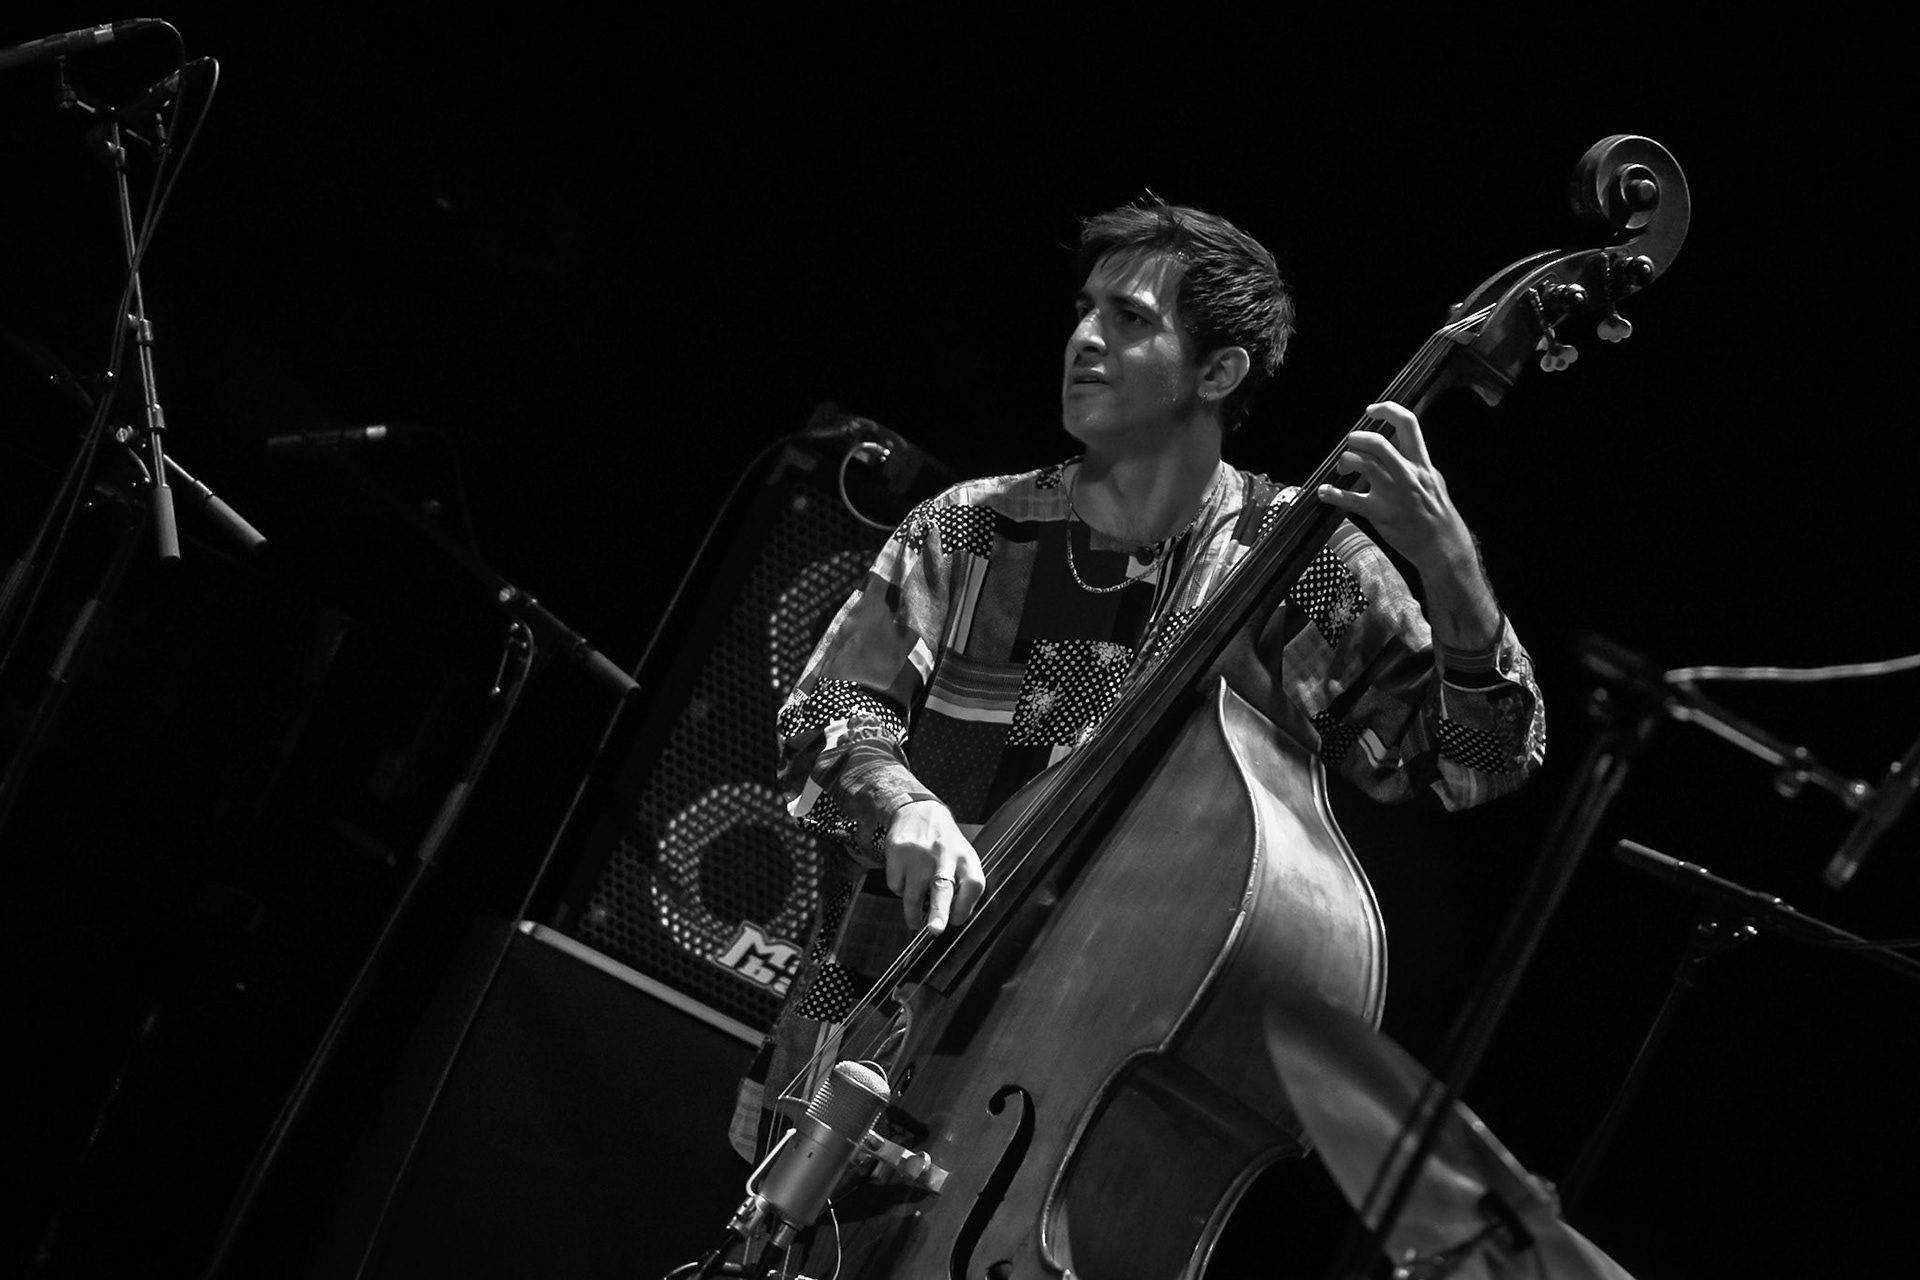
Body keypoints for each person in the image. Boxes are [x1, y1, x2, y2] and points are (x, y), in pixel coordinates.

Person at [731, 200, 1544, 1161]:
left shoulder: (1298, 567)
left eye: (1129, 319)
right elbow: (827, 709)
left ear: (1220, 369)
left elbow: (1476, 764)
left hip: (1070, 1099)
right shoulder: (972, 528)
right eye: (1084, 310)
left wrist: (1450, 568)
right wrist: (899, 801)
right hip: (864, 1026)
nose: (1083, 338)